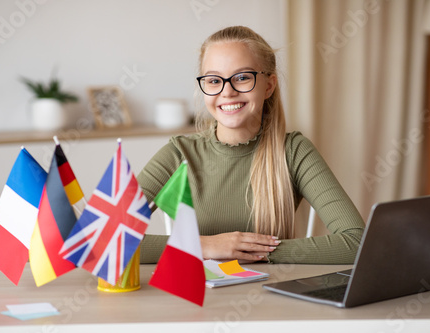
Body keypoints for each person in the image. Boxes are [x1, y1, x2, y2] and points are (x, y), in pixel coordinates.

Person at [137, 26, 364, 264]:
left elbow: (356, 242)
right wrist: (205, 245)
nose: (227, 92)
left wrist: (247, 251)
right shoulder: (179, 153)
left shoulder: (294, 151)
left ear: (268, 86)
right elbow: (104, 239)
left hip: (272, 296)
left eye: (243, 78)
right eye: (214, 80)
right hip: (198, 299)